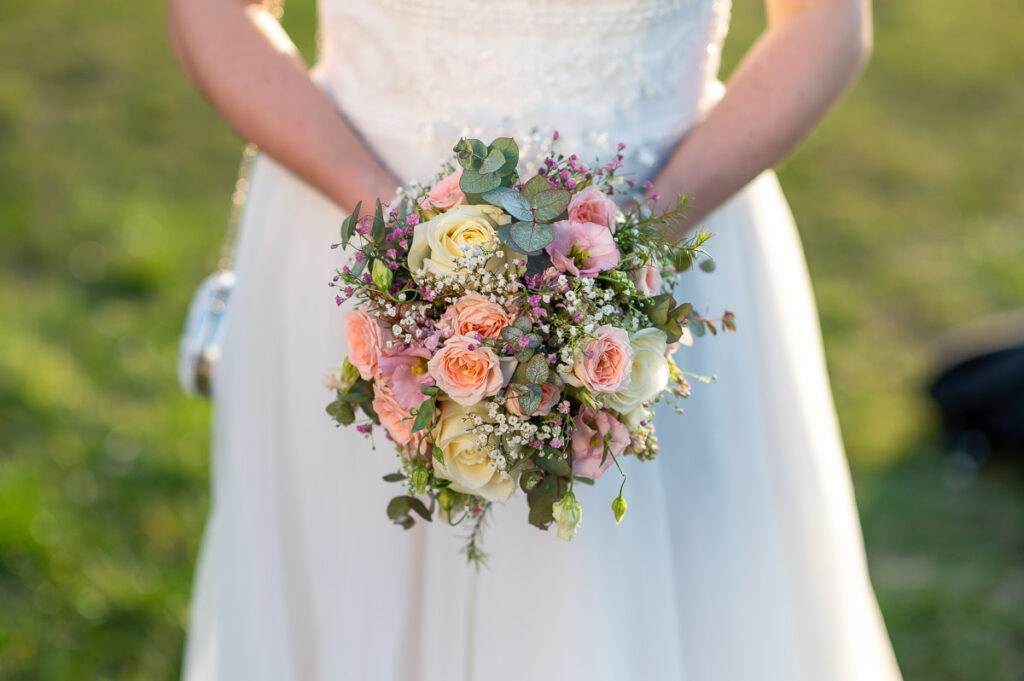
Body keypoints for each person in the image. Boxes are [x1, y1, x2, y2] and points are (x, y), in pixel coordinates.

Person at [168, 0, 902, 679]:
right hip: (353, 229)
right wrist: (398, 240)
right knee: (347, 593)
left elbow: (827, 27)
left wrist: (626, 252)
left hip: (671, 232)